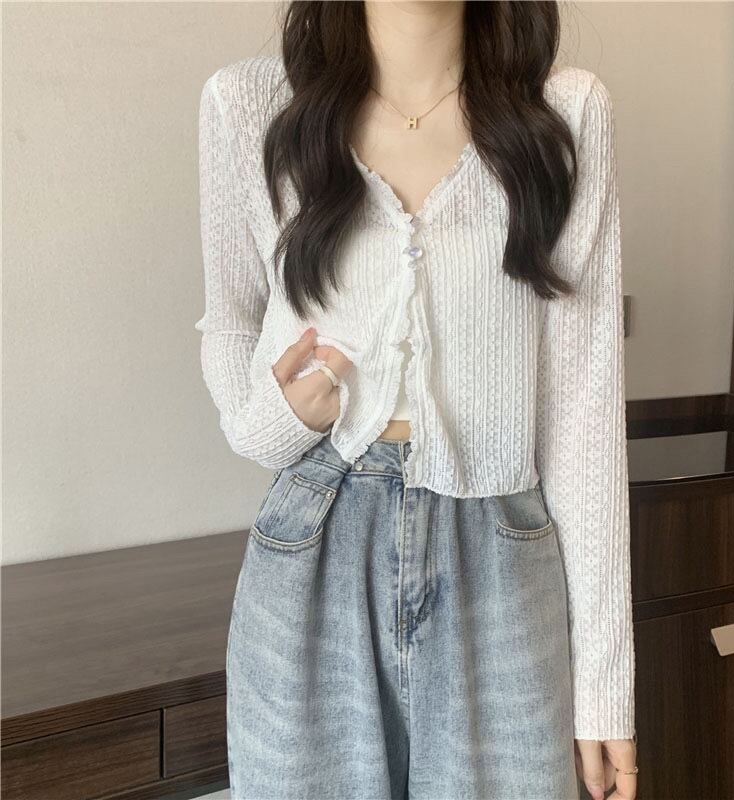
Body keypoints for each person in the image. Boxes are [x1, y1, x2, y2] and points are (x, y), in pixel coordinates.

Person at [195, 2, 638, 798]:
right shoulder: (249, 106)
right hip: (316, 540)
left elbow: (583, 409)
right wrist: (276, 423)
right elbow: (229, 320)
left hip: (503, 558)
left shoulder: (566, 114)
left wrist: (604, 688)